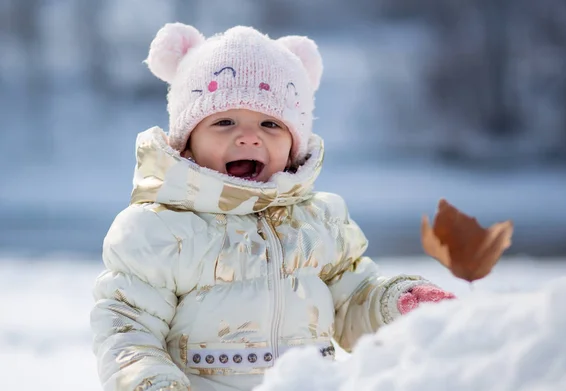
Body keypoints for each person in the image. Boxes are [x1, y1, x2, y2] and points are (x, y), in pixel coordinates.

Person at [90, 23, 455, 391]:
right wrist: (151, 383)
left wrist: (396, 302)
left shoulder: (320, 221)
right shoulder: (157, 229)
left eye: (269, 123)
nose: (249, 135)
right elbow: (127, 330)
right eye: (224, 121)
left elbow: (353, 301)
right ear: (186, 143)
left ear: (293, 145)